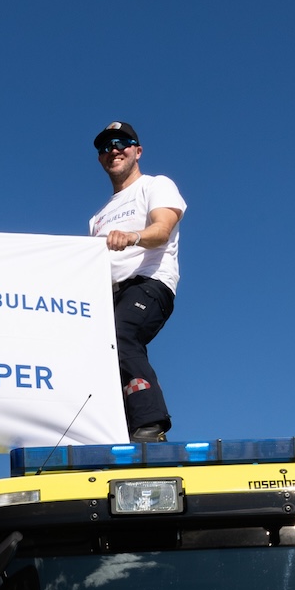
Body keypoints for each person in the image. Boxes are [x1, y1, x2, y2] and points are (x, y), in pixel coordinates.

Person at [88, 120, 186, 442]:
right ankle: (121, 431)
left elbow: (161, 231)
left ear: (137, 150)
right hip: (109, 295)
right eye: (105, 147)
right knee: (98, 354)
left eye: (121, 143)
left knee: (121, 334)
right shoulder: (97, 218)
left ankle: (151, 426)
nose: (113, 150)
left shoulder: (156, 185)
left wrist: (131, 236)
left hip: (149, 282)